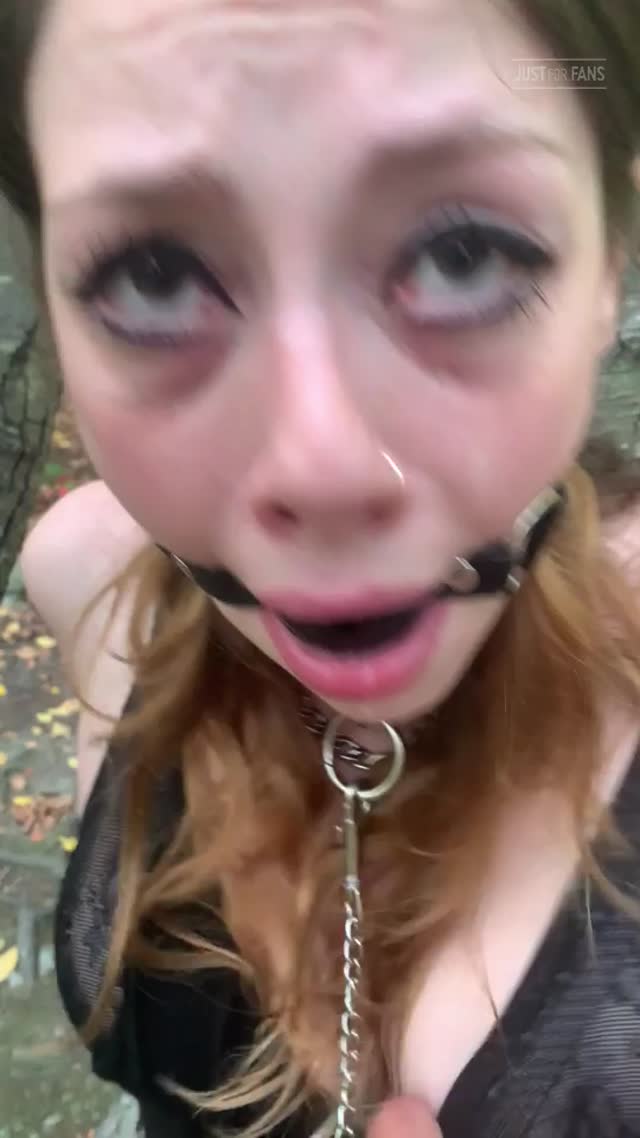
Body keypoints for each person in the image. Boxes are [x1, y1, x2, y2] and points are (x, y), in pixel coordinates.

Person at [2, 1, 640, 1135]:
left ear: (610, 268)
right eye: (153, 277)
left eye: (463, 254)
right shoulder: (87, 581)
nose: (325, 468)